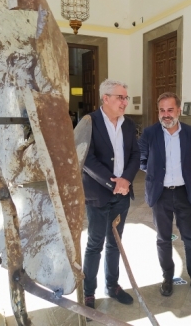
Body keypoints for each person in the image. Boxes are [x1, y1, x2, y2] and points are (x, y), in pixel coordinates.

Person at [138, 92, 191, 300]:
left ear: (178, 110)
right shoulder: (150, 133)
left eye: (170, 110)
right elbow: (142, 159)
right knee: (163, 238)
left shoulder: (189, 133)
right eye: (162, 110)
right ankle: (167, 277)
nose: (166, 115)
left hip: (182, 192)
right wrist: (155, 175)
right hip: (160, 194)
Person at [82, 79, 140, 313]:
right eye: (120, 97)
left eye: (126, 97)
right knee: (95, 244)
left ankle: (112, 285)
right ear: (105, 98)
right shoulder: (89, 122)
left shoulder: (128, 124)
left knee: (115, 242)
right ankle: (88, 292)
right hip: (98, 194)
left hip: (122, 194)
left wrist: (125, 180)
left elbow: (135, 154)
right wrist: (111, 182)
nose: (125, 102)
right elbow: (86, 157)